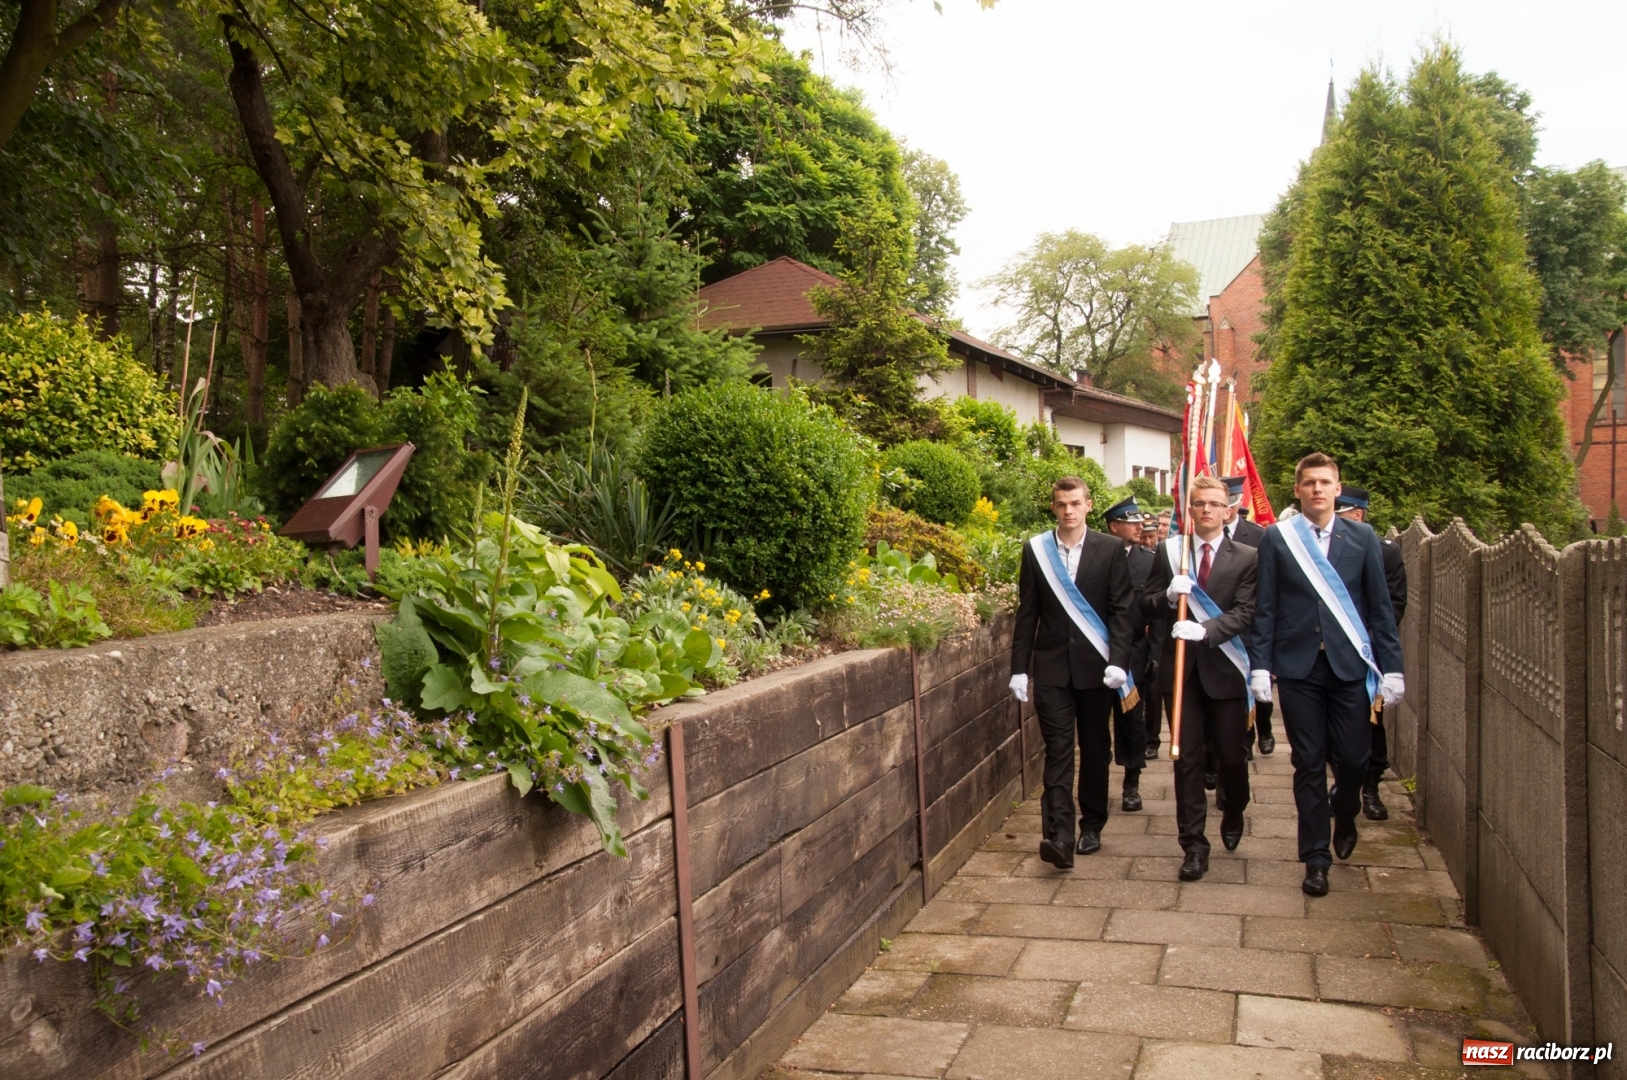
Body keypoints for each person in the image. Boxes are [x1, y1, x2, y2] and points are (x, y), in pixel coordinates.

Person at [1249, 453, 1404, 897]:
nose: (1317, 489)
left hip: (1349, 666)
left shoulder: (1363, 537)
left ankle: (1346, 807)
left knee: (1354, 758)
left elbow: (1379, 608)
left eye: (1324, 482)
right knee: (1308, 761)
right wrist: (1260, 665)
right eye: (1309, 483)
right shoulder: (1278, 538)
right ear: (1297, 490)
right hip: (1298, 668)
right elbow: (1266, 606)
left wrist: (1393, 667)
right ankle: (1315, 858)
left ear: (1338, 489)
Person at [1009, 476, 1136, 869]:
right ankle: (1059, 837)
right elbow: (1027, 613)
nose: (1068, 511)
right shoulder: (1036, 550)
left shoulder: (1110, 549)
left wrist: (1119, 661)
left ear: (1088, 505)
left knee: (1096, 750)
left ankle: (1092, 824)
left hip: (1098, 671)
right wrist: (1019, 669)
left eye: (1075, 503)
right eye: (1062, 504)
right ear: (1053, 507)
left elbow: (1122, 611)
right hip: (1051, 670)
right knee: (1058, 750)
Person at [1143, 475, 1258, 880]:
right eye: (1199, 504)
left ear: (1228, 511)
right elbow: (1146, 604)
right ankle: (1193, 846)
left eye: (1214, 504)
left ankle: (1235, 808)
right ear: (1189, 510)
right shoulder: (1171, 552)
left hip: (1226, 669)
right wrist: (1168, 597)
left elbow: (1246, 612)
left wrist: (1206, 630)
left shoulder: (1247, 556)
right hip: (1182, 673)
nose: (1206, 510)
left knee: (1232, 756)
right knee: (1185, 759)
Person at [1334, 484, 1408, 821]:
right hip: (1331, 650)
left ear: (1358, 514)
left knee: (1371, 722)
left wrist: (1370, 644)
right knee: (1333, 726)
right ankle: (1342, 784)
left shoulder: (1385, 552)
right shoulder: (1322, 549)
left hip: (1368, 653)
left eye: (1342, 514)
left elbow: (1393, 605)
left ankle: (1371, 788)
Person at [1102, 496, 1155, 810]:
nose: (1139, 527)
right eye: (1131, 522)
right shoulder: (1097, 557)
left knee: (1132, 719)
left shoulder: (1148, 561)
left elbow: (1157, 613)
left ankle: (1131, 783)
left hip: (1134, 649)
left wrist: (1155, 652)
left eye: (1139, 522)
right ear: (1114, 527)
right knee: (1096, 719)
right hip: (1099, 647)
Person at [1221, 477, 1275, 757]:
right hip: (1219, 622)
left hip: (1252, 625)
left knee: (1258, 687)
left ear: (1236, 502)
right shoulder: (1201, 536)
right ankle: (1245, 739)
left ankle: (1264, 727)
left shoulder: (1258, 536)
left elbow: (1269, 584)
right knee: (1232, 690)